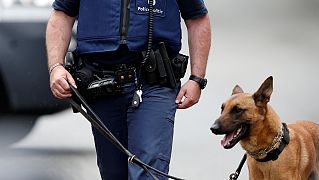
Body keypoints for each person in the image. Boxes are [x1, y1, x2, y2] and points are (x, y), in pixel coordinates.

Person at [46, 0, 211, 179]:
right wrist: (56, 66)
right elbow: (61, 14)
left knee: (148, 171)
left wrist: (197, 78)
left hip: (154, 83)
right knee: (114, 174)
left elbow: (198, 18)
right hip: (102, 85)